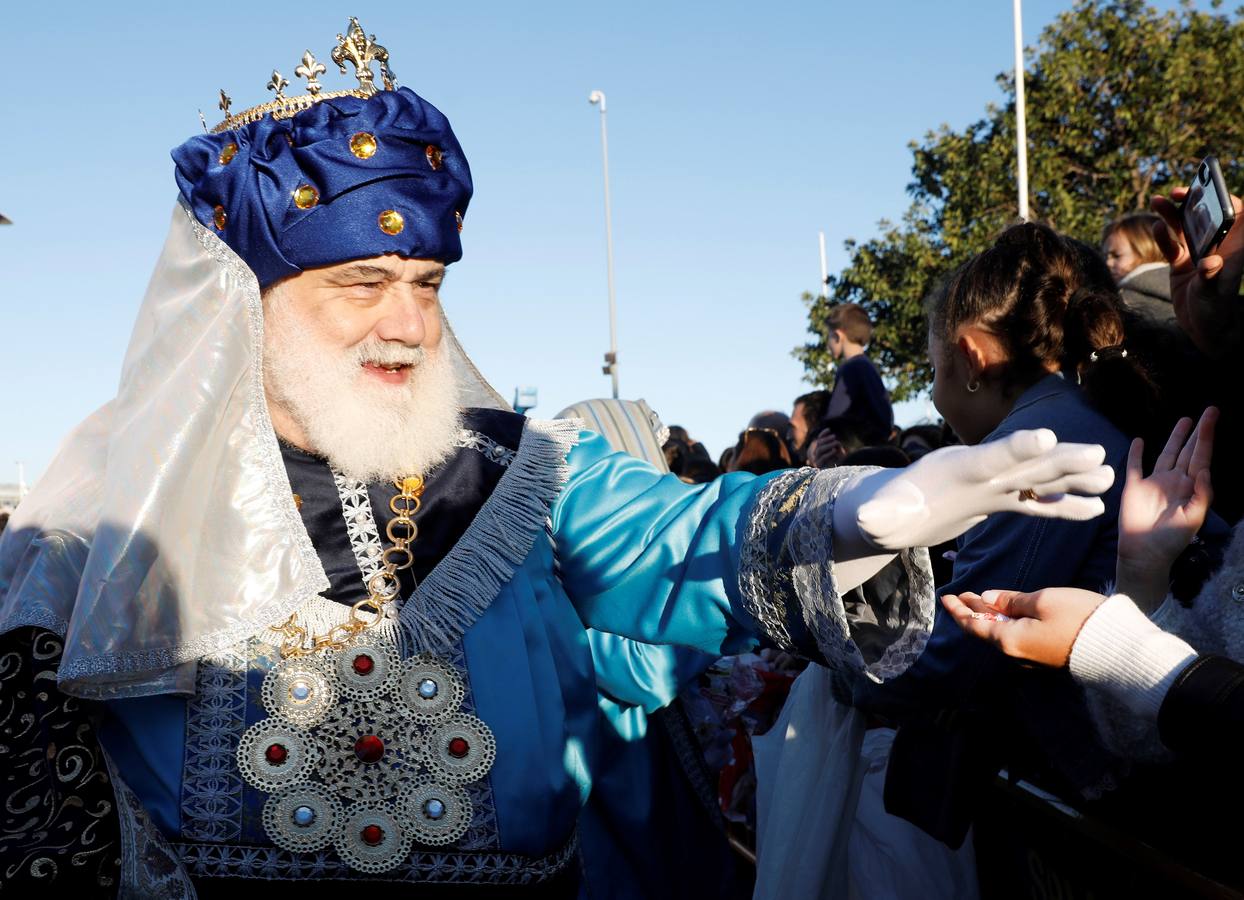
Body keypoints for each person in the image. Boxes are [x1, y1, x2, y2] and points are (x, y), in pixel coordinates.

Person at [0, 21, 1117, 895]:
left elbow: (672, 533)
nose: (408, 325)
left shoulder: (517, 470)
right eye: (359, 284)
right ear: (248, 304)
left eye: (428, 285)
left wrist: (851, 513)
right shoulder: (109, 506)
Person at [864, 221, 1157, 847]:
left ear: (971, 357)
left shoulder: (1034, 446)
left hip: (1118, 785)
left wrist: (840, 655)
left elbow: (964, 646)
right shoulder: (1085, 411)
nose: (936, 396)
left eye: (934, 370)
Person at [820, 304, 894, 448]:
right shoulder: (868, 366)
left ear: (837, 336)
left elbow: (835, 415)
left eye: (829, 335)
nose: (828, 343)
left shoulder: (850, 368)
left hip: (859, 447)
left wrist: (816, 436)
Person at [1102, 213, 1173, 323]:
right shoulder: (1185, 289)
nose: (1108, 263)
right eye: (1106, 256)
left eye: (1116, 256)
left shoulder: (1126, 303)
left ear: (1147, 251)